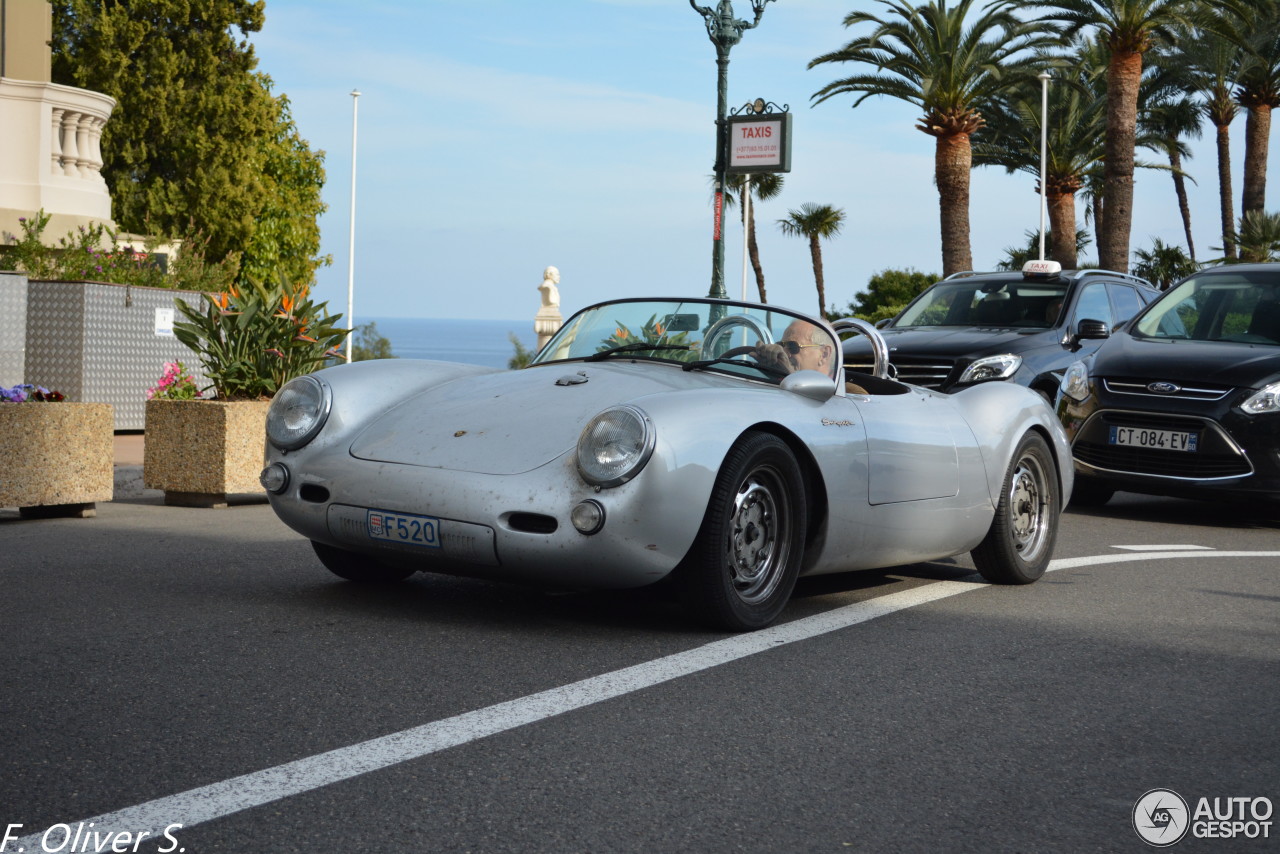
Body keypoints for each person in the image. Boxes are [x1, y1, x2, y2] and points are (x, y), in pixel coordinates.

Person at [753, 319, 836, 377]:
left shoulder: (842, 395)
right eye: (781, 345)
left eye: (792, 346)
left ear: (824, 355)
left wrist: (789, 375)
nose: (783, 352)